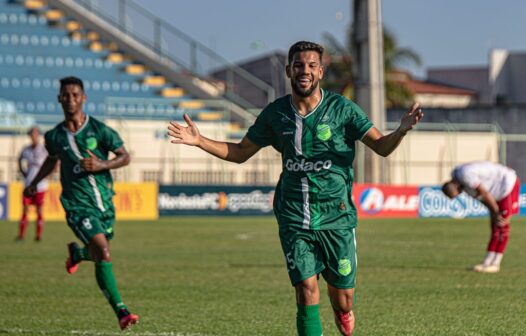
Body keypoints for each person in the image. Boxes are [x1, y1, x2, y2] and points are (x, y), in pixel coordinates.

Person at [168, 41, 423, 336]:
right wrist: (200, 141)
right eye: (299, 65)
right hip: (293, 215)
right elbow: (240, 152)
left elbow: (381, 147)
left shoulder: (343, 110)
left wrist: (401, 131)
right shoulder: (275, 114)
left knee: (343, 297)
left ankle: (342, 308)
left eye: (312, 66)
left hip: (336, 216)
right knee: (305, 288)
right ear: (289, 70)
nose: (305, 71)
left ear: (321, 72)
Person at [23, 76, 139, 330]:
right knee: (104, 252)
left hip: (104, 202)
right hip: (77, 204)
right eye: (66, 95)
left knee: (100, 250)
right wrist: (34, 181)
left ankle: (77, 253)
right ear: (59, 99)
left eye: (75, 95)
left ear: (83, 98)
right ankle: (122, 311)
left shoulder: (100, 130)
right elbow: (52, 160)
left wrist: (102, 164)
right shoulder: (54, 136)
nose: (70, 99)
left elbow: (125, 157)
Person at [441, 161, 520, 273]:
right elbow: (483, 198)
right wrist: (493, 212)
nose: (460, 193)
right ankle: (487, 262)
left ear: (456, 185)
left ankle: (496, 263)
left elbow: (485, 193)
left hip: (506, 184)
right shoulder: (463, 183)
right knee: (494, 226)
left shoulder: (465, 176)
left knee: (502, 225)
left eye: (458, 192)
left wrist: (496, 212)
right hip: (496, 191)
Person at [16, 126, 49, 241]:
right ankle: (21, 235)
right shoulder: (26, 149)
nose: (33, 137)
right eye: (31, 135)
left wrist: (49, 174)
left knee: (39, 210)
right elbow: (19, 159)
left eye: (34, 134)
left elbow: (54, 161)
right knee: (25, 209)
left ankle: (38, 236)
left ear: (38, 135)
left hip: (40, 186)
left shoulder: (44, 149)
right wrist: (23, 172)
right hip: (28, 184)